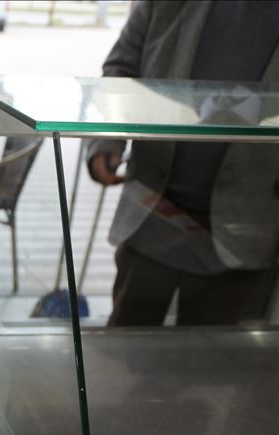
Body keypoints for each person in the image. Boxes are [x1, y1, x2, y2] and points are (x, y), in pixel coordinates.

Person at [88, 1, 279, 326]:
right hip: (154, 210)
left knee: (208, 352)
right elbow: (120, 70)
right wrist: (106, 142)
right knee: (127, 340)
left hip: (247, 226)